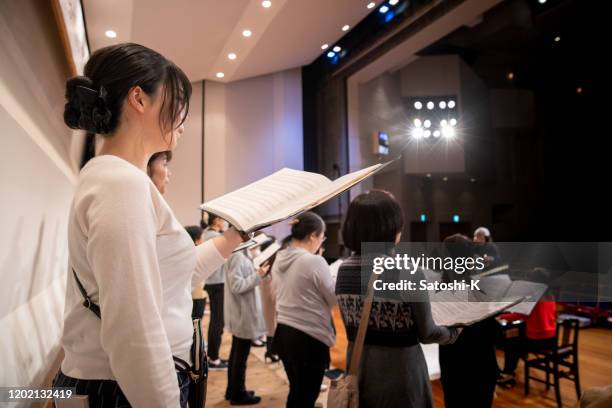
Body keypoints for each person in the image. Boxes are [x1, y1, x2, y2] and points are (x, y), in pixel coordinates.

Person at [53, 43, 245, 408]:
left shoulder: (114, 178)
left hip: (117, 385)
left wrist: (234, 237)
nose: (183, 121)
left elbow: (171, 276)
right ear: (138, 99)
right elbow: (132, 328)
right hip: (120, 389)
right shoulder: (120, 183)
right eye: (177, 103)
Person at [336, 190, 460, 408]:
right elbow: (428, 332)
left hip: (360, 371)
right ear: (392, 228)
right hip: (400, 377)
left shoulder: (344, 270)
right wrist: (454, 331)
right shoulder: (406, 271)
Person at [272, 212, 336, 407]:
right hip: (308, 338)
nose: (321, 241)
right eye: (322, 236)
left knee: (297, 391)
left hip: (283, 333)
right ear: (312, 236)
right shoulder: (314, 261)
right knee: (306, 395)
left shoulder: (280, 257)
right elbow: (334, 298)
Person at [439, 234, 498, 408]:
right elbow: (493, 334)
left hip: (452, 368)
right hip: (479, 368)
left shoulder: (441, 289)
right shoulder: (477, 290)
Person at [223, 243, 271, 405]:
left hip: (241, 313)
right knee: (240, 356)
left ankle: (233, 390)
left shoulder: (239, 254)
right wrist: (258, 274)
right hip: (242, 314)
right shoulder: (237, 256)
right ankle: (238, 394)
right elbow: (237, 286)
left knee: (237, 353)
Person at [498, 268, 557, 386]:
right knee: (519, 330)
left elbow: (519, 314)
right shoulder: (550, 296)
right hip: (551, 339)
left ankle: (508, 374)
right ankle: (519, 356)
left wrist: (500, 317)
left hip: (537, 340)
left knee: (511, 344)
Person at [200, 213, 230, 370]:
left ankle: (212, 355)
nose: (224, 223)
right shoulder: (215, 236)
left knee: (216, 319)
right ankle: (213, 358)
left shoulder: (205, 234)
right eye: (223, 219)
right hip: (217, 281)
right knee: (218, 321)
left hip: (211, 281)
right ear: (216, 220)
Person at [258, 237, 281, 363]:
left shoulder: (264, 263)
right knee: (272, 324)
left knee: (271, 324)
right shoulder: (267, 265)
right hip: (269, 296)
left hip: (268, 297)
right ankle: (271, 352)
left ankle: (271, 351)